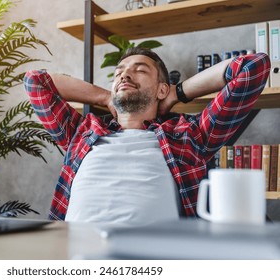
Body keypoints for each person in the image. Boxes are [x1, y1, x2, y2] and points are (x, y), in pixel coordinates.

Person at [24, 47, 270, 225]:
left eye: (140, 70)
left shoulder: (188, 136)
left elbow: (253, 67)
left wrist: (178, 92)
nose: (125, 75)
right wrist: (105, 97)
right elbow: (35, 82)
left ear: (162, 89)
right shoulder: (81, 132)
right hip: (76, 259)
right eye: (119, 72)